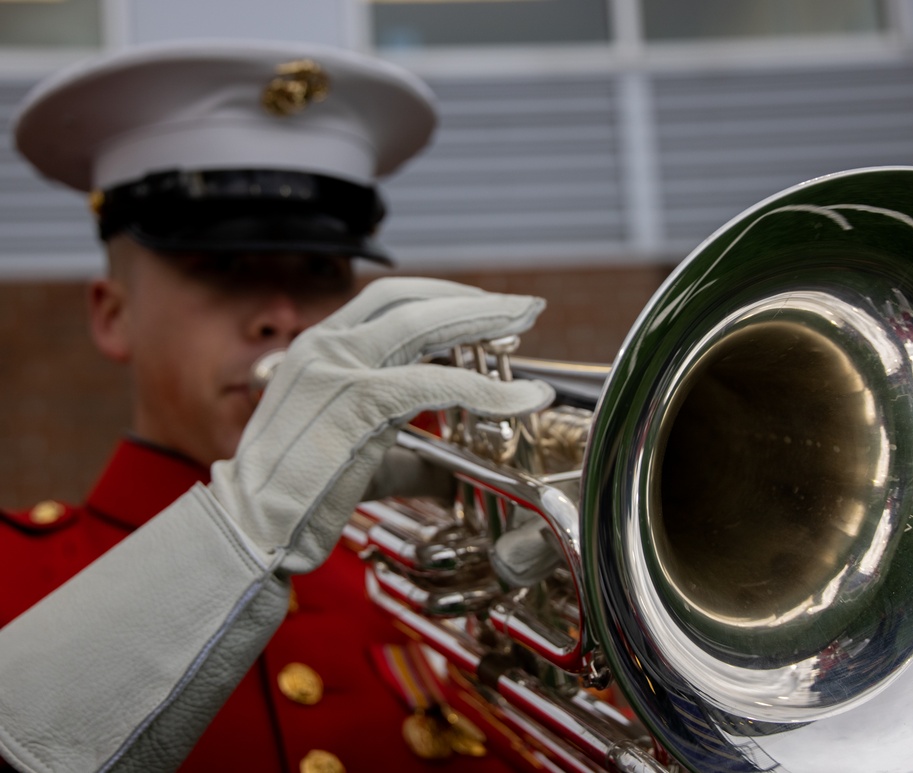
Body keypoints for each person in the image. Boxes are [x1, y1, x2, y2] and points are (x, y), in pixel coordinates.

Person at [0, 40, 552, 773]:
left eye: (320, 271)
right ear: (113, 315)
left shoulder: (437, 565)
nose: (284, 317)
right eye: (225, 268)